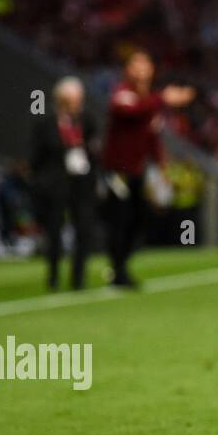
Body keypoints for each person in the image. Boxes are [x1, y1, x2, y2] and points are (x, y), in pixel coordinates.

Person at [101, 50, 194, 288]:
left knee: (141, 219)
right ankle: (117, 270)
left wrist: (163, 167)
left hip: (137, 169)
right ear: (128, 70)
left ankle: (120, 265)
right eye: (137, 64)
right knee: (120, 219)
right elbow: (128, 111)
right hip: (118, 170)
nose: (142, 69)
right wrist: (163, 98)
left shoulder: (149, 101)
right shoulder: (123, 93)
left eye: (146, 64)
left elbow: (152, 137)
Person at [30, 76, 100, 290]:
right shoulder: (46, 122)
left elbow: (95, 150)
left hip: (82, 183)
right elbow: (36, 157)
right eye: (72, 100)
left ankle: (78, 278)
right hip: (56, 184)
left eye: (79, 99)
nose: (77, 104)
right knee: (54, 230)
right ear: (60, 100)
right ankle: (53, 276)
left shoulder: (87, 120)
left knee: (84, 229)